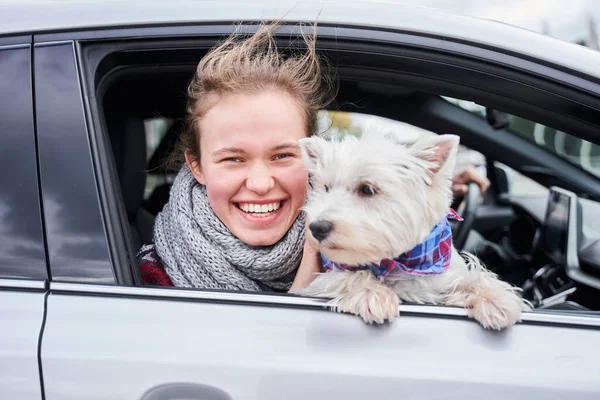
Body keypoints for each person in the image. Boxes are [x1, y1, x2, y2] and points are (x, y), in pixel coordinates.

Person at [136, 23, 491, 291]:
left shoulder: (371, 252)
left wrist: (421, 187)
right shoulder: (150, 279)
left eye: (282, 155)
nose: (260, 184)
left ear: (312, 158)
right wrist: (309, 272)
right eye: (233, 159)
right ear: (196, 166)